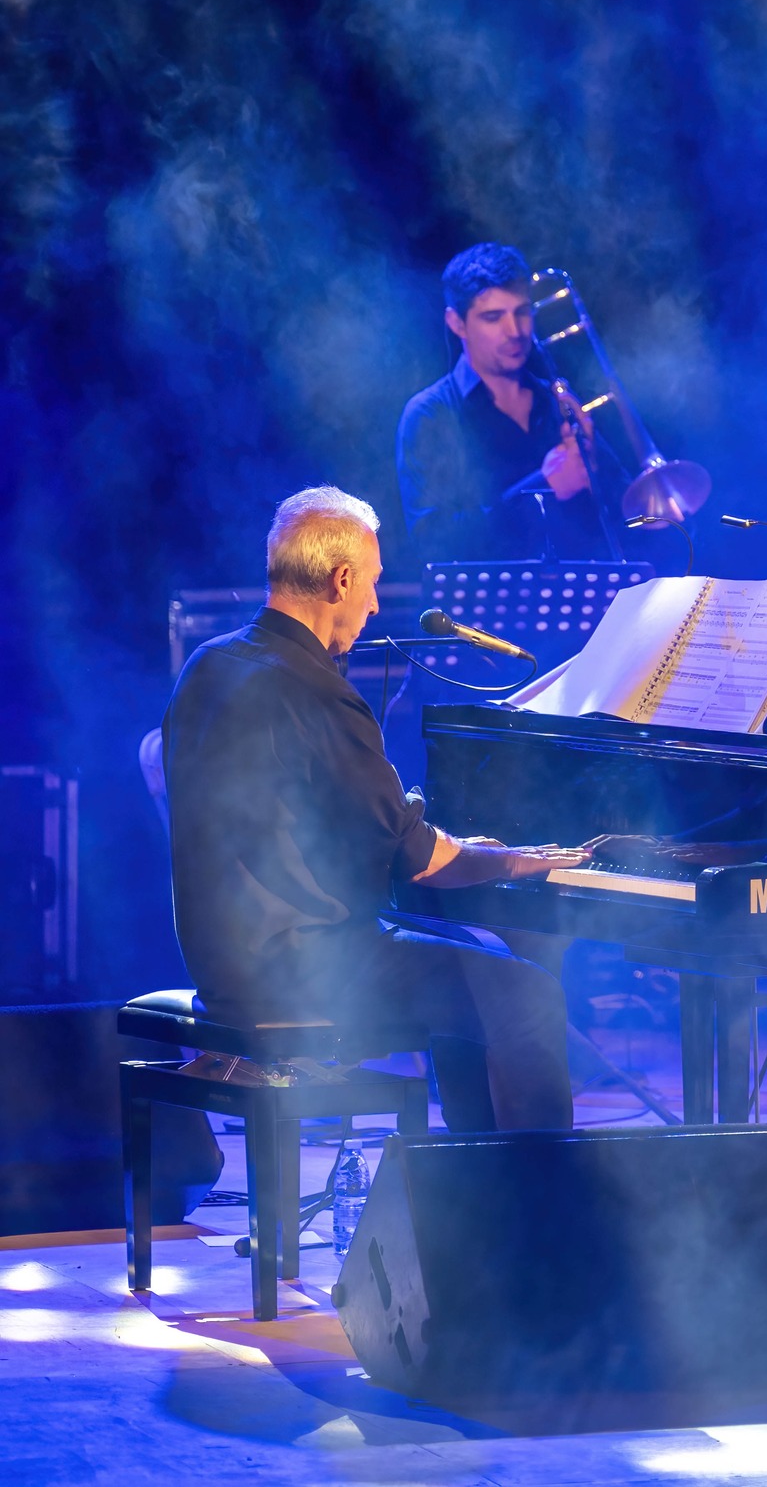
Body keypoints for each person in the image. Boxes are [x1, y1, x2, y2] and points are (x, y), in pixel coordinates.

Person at [161, 486, 589, 1130]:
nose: (375, 605)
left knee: (479, 959)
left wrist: (410, 830)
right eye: (374, 583)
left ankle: (472, 1166)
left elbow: (288, 818)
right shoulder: (314, 689)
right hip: (302, 966)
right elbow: (419, 860)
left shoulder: (208, 664)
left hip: (222, 959)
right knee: (526, 992)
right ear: (342, 580)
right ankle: (526, 1188)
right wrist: (510, 861)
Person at [396, 242, 613, 565]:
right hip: (481, 600)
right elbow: (437, 545)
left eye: (522, 312)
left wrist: (594, 473)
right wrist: (545, 486)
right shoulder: (430, 414)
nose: (515, 331)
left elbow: (622, 515)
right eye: (493, 317)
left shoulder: (556, 402)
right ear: (457, 323)